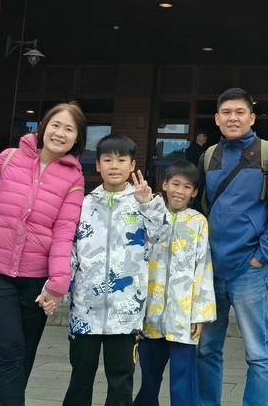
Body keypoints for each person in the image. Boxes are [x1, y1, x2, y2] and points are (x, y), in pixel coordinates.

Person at [0, 103, 86, 406]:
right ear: (43, 127)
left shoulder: (74, 179)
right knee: (10, 350)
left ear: (77, 138)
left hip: (35, 281)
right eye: (56, 125)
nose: (60, 133)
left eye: (70, 129)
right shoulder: (9, 157)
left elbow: (64, 233)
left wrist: (58, 283)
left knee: (22, 357)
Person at [197, 87, 268, 406]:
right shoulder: (209, 156)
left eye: (240, 112)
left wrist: (260, 258)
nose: (233, 118)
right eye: (226, 112)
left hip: (248, 272)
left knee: (258, 353)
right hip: (211, 271)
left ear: (252, 117)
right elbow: (199, 211)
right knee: (207, 350)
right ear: (216, 118)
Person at [63, 133, 170, 406]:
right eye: (107, 159)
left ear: (132, 165)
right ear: (97, 165)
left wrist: (148, 204)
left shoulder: (143, 202)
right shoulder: (82, 204)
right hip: (85, 310)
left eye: (121, 160)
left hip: (126, 312)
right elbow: (70, 251)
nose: (114, 165)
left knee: (121, 378)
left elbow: (162, 237)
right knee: (80, 375)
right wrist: (60, 289)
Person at [133, 160, 216, 406]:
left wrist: (199, 314)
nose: (180, 191)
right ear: (165, 185)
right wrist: (136, 310)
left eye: (187, 186)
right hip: (151, 313)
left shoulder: (198, 222)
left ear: (195, 192)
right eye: (175, 184)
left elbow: (204, 267)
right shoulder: (150, 214)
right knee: (149, 376)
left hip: (183, 316)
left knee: (183, 379)